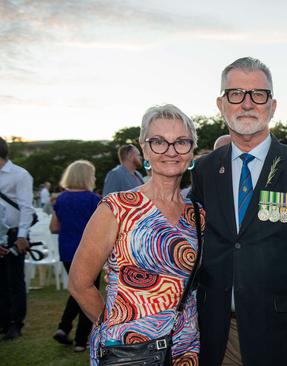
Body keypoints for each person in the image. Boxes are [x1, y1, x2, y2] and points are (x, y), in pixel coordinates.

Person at [191, 57, 287, 365]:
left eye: (258, 94)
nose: (247, 103)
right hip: (217, 333)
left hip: (284, 334)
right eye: (236, 94)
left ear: (273, 105)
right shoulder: (203, 171)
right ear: (221, 103)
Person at [68, 104, 204, 365]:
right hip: (127, 352)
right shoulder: (117, 207)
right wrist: (113, 329)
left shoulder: (197, 214)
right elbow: (79, 283)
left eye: (181, 142)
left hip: (186, 349)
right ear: (144, 149)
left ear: (192, 150)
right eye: (158, 142)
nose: (170, 151)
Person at [50, 160, 101, 352]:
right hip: (90, 252)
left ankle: (63, 328)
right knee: (88, 292)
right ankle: (81, 341)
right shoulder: (93, 200)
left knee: (77, 290)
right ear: (87, 176)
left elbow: (54, 227)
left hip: (66, 251)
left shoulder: (60, 200)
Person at [0, 137, 35, 341]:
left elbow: (26, 207)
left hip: (15, 233)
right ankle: (3, 321)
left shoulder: (19, 174)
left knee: (14, 280)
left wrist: (22, 235)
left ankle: (15, 323)